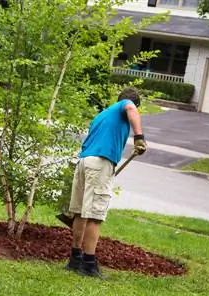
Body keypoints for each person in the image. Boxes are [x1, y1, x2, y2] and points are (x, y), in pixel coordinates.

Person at [59, 87, 147, 278]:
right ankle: (89, 265)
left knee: (81, 213)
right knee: (95, 215)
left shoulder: (102, 115)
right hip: (100, 162)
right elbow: (131, 109)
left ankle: (75, 259)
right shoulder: (126, 105)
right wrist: (139, 138)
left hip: (84, 162)